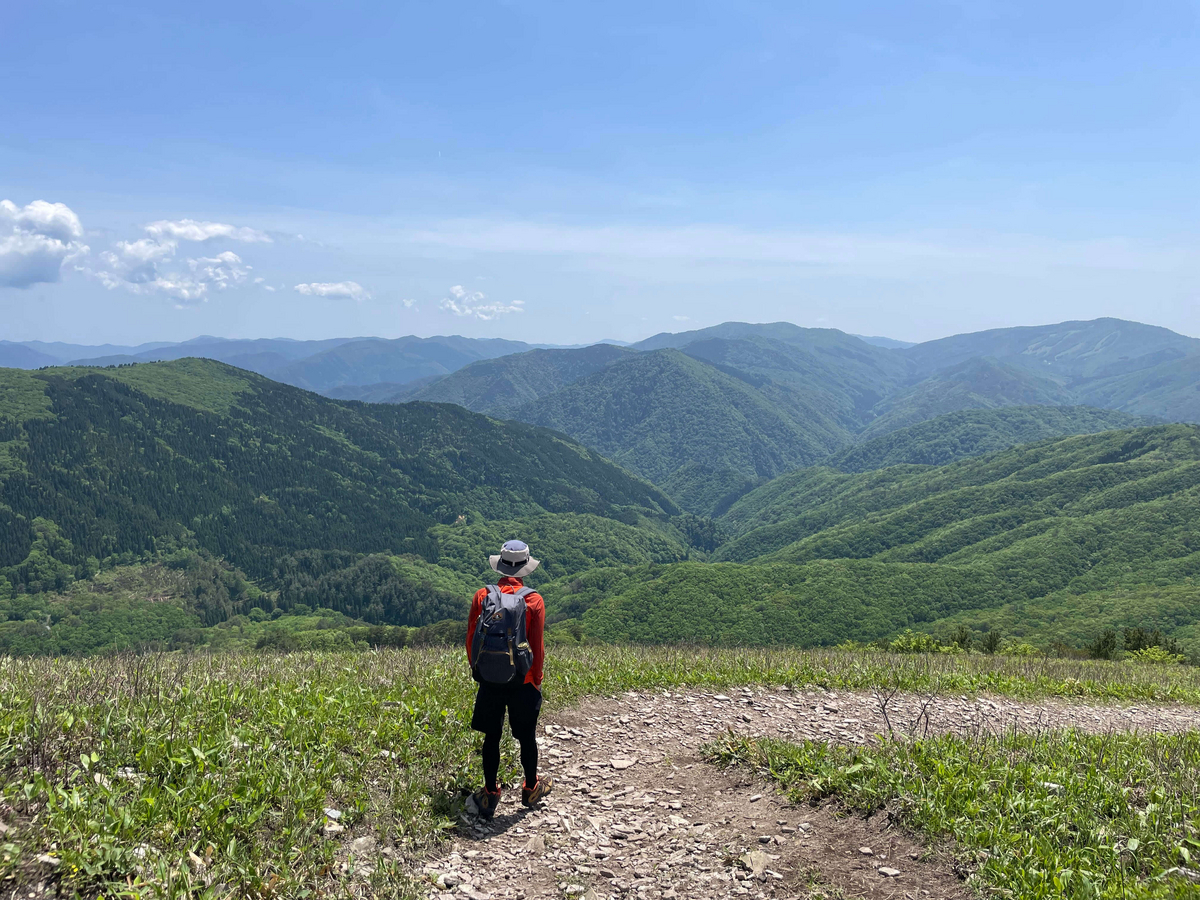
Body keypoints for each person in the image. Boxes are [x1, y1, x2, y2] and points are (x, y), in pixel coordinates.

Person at [465, 540, 554, 819]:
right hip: (523, 680)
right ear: (525, 567)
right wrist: (536, 679)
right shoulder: (534, 600)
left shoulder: (482, 595)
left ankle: (490, 794)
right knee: (526, 737)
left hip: (490, 678)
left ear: (500, 566)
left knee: (492, 736)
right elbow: (537, 646)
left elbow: (471, 639)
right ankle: (530, 788)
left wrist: (479, 670)